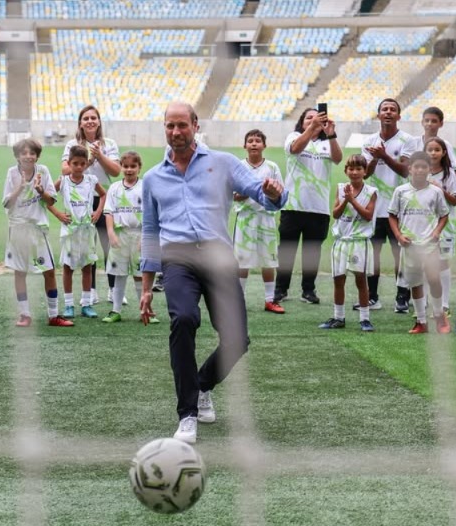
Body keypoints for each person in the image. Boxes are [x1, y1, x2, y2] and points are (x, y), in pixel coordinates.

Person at [139, 102, 285, 444]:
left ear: (195, 125)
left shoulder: (223, 163)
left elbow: (262, 193)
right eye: (169, 126)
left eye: (182, 126)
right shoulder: (152, 178)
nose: (176, 132)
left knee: (237, 340)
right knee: (184, 320)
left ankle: (203, 385)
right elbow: (149, 231)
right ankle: (187, 413)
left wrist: (274, 195)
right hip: (178, 258)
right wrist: (146, 288)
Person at [2, 138, 72, 328]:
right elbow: (6, 203)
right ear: (17, 156)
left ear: (37, 156)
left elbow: (51, 201)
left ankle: (53, 315)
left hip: (37, 230)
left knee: (48, 272)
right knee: (20, 273)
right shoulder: (11, 173)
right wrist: (20, 188)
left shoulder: (43, 172)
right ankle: (24, 314)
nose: (28, 156)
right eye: (24, 153)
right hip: (18, 230)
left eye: (32, 153)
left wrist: (41, 191)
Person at [277, 106, 341, 305]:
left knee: (312, 251)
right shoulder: (294, 136)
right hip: (293, 204)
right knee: (287, 249)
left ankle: (308, 290)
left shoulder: (326, 142)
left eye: (317, 118)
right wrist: (311, 129)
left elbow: (338, 159)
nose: (313, 121)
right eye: (308, 118)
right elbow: (295, 149)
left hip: (318, 207)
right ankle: (280, 289)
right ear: (301, 122)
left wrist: (331, 135)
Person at [62, 105, 121, 305]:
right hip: (82, 200)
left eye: (93, 117)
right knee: (89, 246)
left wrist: (99, 155)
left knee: (108, 245)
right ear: (80, 122)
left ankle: (114, 290)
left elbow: (115, 172)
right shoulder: (72, 144)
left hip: (104, 197)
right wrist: (88, 160)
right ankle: (92, 290)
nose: (89, 121)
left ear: (99, 121)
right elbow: (64, 169)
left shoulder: (109, 143)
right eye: (85, 118)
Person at [387, 152, 451, 334]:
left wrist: (437, 232)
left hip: (430, 244)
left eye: (424, 167)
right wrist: (399, 236)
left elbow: (444, 214)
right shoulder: (401, 191)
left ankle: (439, 315)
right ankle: (421, 321)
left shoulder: (436, 192)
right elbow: (392, 215)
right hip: (409, 244)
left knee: (433, 279)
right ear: (410, 169)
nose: (420, 170)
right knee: (415, 283)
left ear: (430, 169)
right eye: (417, 167)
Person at [363, 98, 415, 313]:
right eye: (384, 109)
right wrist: (375, 159)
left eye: (393, 109)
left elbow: (405, 170)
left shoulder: (408, 140)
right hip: (374, 207)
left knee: (400, 255)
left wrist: (383, 154)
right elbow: (365, 173)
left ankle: (402, 297)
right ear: (378, 115)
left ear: (399, 116)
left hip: (399, 208)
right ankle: (372, 297)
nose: (388, 112)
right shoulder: (369, 140)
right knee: (372, 254)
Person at [322, 155, 377, 331]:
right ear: (346, 171)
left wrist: (352, 200)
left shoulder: (371, 191)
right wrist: (346, 199)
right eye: (351, 169)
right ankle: (339, 317)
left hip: (359, 242)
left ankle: (365, 318)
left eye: (359, 169)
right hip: (341, 241)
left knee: (361, 280)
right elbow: (336, 214)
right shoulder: (341, 188)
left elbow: (368, 216)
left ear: (365, 171)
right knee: (338, 280)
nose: (354, 172)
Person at [233, 129, 284, 314]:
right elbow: (234, 196)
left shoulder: (272, 167)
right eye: (250, 141)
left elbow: (280, 195)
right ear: (245, 145)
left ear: (264, 145)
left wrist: (271, 193)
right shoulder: (238, 167)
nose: (254, 143)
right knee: (241, 261)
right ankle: (238, 301)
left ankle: (270, 300)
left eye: (257, 141)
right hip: (245, 219)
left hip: (266, 217)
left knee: (269, 260)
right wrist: (253, 190)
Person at [55, 145, 106, 319]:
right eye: (75, 163)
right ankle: (69, 305)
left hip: (86, 231)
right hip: (70, 231)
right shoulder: (63, 181)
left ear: (86, 164)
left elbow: (103, 195)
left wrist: (98, 212)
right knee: (68, 268)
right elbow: (47, 197)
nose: (78, 167)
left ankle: (86, 304)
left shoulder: (91, 180)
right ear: (68, 163)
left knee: (87, 267)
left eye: (82, 163)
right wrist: (58, 214)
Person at [102, 151, 149, 323]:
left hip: (138, 235)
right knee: (118, 273)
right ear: (121, 167)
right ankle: (116, 310)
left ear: (139, 168)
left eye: (133, 166)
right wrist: (110, 232)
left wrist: (146, 236)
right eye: (125, 166)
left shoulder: (144, 187)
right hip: (119, 235)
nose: (129, 170)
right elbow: (109, 212)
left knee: (140, 273)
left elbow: (150, 213)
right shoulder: (114, 188)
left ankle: (144, 310)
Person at [425, 137, 456, 314]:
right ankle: (424, 302)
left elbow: (455, 200)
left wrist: (440, 189)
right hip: (424, 226)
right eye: (430, 149)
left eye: (437, 149)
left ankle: (444, 304)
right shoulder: (420, 172)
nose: (433, 153)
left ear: (444, 152)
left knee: (443, 263)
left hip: (446, 226)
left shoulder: (449, 174)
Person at [416, 106, 456, 180]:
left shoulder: (445, 145)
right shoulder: (412, 143)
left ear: (441, 124)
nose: (429, 124)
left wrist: (437, 174)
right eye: (427, 120)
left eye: (434, 121)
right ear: (422, 122)